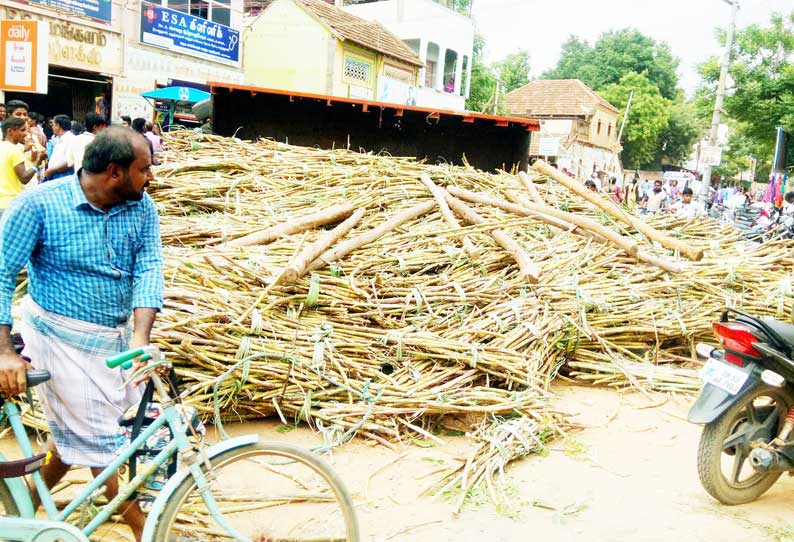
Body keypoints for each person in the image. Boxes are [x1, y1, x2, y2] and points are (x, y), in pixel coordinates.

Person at [0, 127, 162, 542]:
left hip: (113, 339)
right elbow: (0, 274)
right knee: (103, 443)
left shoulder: (141, 208)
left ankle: (24, 509)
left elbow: (149, 269)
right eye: (144, 169)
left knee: (80, 436)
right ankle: (146, 531)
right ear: (114, 172)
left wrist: (140, 339)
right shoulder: (39, 205)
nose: (151, 177)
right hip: (55, 337)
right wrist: (4, 351)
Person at [0, 117, 43, 214]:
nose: (25, 134)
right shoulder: (14, 149)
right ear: (10, 131)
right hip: (10, 203)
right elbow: (24, 178)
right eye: (22, 130)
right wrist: (37, 162)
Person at [43, 115, 76, 182]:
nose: (52, 128)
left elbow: (69, 162)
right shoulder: (61, 139)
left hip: (63, 177)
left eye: (53, 125)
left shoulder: (70, 139)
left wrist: (50, 171)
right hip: (57, 176)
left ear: (57, 126)